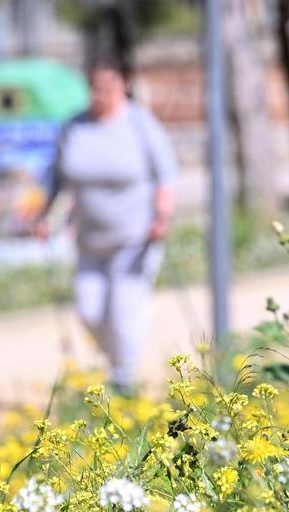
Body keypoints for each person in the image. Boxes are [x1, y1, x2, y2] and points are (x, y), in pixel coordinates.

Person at [35, 57, 178, 395]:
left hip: (135, 237)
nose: (101, 94)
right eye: (95, 87)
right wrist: (45, 218)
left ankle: (124, 382)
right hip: (89, 239)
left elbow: (166, 175)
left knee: (124, 308)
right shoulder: (75, 127)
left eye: (108, 87)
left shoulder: (140, 124)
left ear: (122, 85)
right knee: (89, 309)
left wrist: (161, 217)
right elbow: (57, 180)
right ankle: (119, 362)